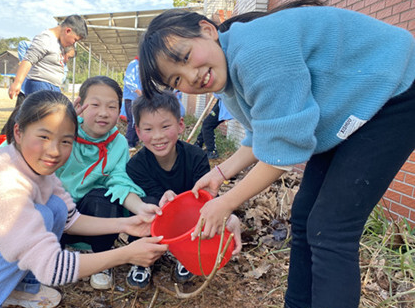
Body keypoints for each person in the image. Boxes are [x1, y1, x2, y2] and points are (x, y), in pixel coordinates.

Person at [137, 1, 415, 308]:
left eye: (186, 57)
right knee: (306, 215)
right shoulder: (227, 78)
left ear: (207, 30)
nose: (191, 76)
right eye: (177, 79)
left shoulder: (257, 52)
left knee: (331, 227)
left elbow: (283, 150)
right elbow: (265, 134)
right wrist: (219, 174)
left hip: (395, 87)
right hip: (351, 109)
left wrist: (226, 202)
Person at [0, 90, 168, 308]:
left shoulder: (37, 169)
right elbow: (51, 267)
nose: (54, 151)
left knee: (52, 208)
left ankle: (21, 288)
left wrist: (126, 224)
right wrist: (126, 255)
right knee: (39, 216)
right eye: (43, 137)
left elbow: (70, 219)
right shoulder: (1, 180)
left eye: (66, 141)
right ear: (18, 132)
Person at [126, 90, 242, 289]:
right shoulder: (136, 165)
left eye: (165, 126)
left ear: (180, 125)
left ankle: (186, 252)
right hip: (156, 221)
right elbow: (147, 199)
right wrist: (165, 200)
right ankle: (142, 260)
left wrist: (227, 217)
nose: (158, 136)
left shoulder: (196, 156)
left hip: (191, 223)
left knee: (203, 206)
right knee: (149, 205)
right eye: (148, 129)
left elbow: (208, 197)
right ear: (137, 131)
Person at [56, 76, 162, 290]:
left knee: (103, 197)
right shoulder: (62, 132)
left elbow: (119, 181)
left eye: (112, 106)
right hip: (54, 213)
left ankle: (101, 259)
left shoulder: (118, 143)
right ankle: (52, 256)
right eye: (95, 104)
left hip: (87, 218)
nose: (104, 113)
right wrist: (62, 124)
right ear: (79, 105)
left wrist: (141, 208)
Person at [1, 44, 76, 138]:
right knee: (25, 114)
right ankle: (6, 137)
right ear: (63, 51)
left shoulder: (62, 65)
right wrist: (27, 64)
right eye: (68, 56)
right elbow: (23, 44)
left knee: (29, 115)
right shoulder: (49, 48)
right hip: (32, 88)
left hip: (48, 89)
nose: (67, 60)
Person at [8, 14, 87, 100]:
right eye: (75, 40)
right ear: (68, 31)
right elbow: (28, 60)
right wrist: (17, 83)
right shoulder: (45, 39)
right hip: (41, 86)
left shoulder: (58, 42)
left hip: (52, 87)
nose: (73, 43)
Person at [194, 94, 233, 159]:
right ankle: (198, 143)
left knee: (207, 125)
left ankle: (212, 151)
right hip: (221, 102)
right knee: (207, 124)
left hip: (225, 103)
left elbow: (219, 92)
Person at [122, 56, 142, 149]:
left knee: (138, 120)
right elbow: (128, 80)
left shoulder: (142, 66)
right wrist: (137, 91)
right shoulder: (134, 64)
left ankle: (135, 141)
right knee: (133, 120)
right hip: (132, 98)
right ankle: (129, 143)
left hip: (138, 98)